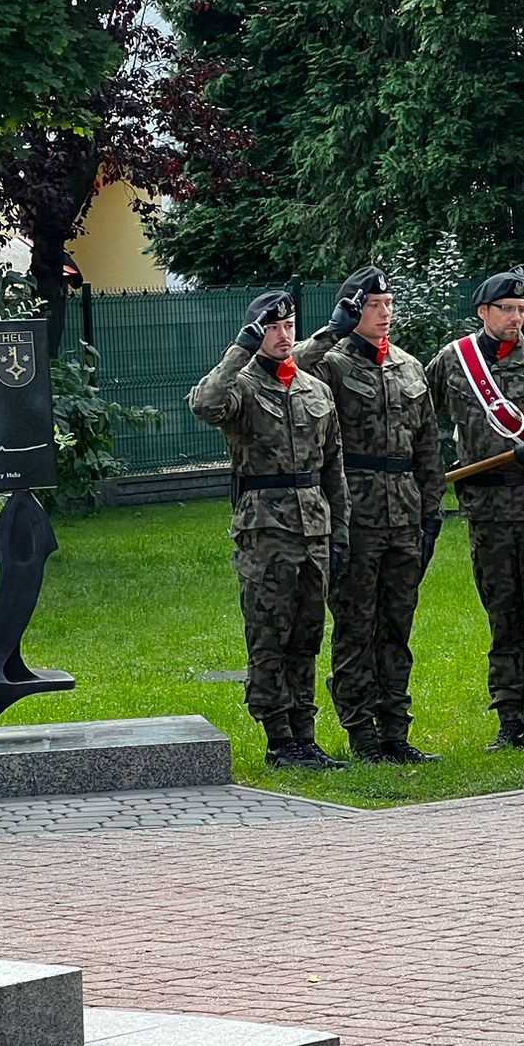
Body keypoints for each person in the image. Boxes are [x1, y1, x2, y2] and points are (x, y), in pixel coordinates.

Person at [189, 290, 350, 769]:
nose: (284, 336)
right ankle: (279, 738)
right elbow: (204, 403)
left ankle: (305, 733)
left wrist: (339, 532)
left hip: (314, 529)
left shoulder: (313, 390)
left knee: (307, 635)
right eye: (273, 328)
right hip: (265, 530)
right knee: (269, 634)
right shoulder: (241, 386)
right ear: (258, 332)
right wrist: (240, 348)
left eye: (289, 326)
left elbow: (333, 468)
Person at [292, 265, 445, 763]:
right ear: (353, 311)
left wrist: (432, 511)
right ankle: (361, 733)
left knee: (397, 626)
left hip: (404, 514)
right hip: (356, 513)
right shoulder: (332, 365)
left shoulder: (408, 367)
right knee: (357, 626)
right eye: (373, 306)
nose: (385, 314)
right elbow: (289, 369)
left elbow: (427, 446)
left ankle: (396, 731)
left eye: (388, 304)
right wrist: (332, 330)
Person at [426, 268, 524, 749]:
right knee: (503, 617)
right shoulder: (454, 362)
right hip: (487, 509)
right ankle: (509, 722)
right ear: (484, 313)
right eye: (506, 310)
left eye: (520, 309)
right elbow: (416, 411)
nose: (516, 317)